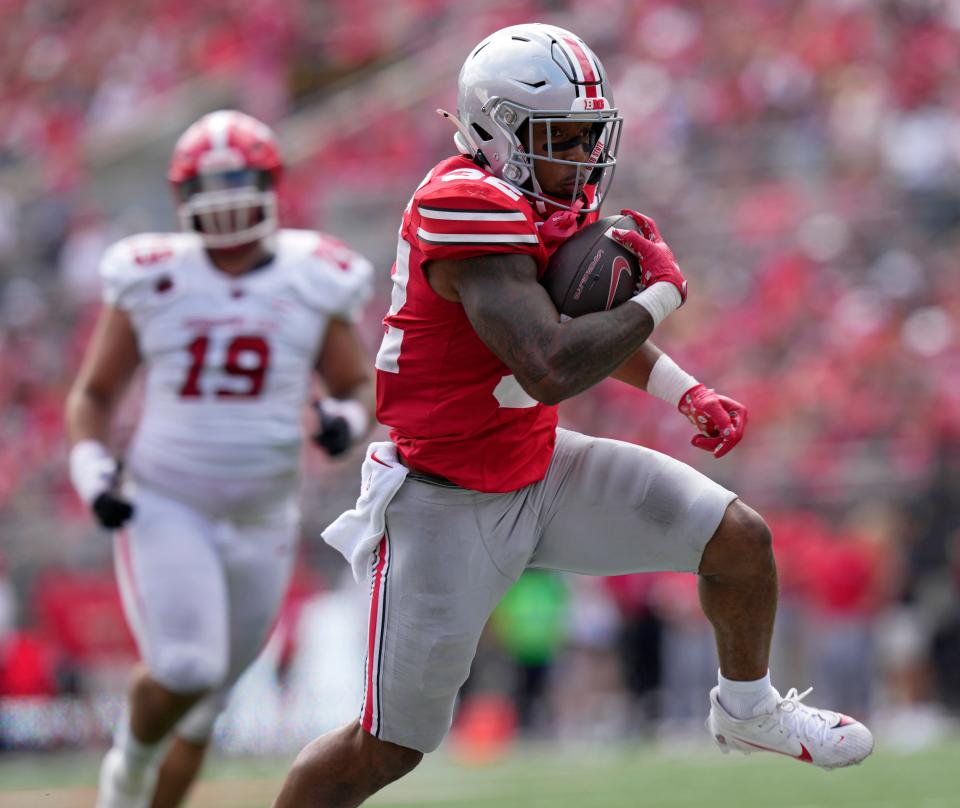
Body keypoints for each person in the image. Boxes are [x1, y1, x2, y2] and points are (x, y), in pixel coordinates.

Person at [273, 23, 874, 808]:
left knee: (738, 540)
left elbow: (573, 332)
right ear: (494, 132)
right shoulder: (462, 204)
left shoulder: (532, 197)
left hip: (536, 464)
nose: (585, 153)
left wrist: (683, 390)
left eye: (592, 133)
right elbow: (549, 361)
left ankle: (748, 711)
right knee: (385, 750)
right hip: (445, 500)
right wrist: (661, 296)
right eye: (564, 136)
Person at [65, 109, 375, 808]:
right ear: (182, 196)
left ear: (269, 184)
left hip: (263, 514)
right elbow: (95, 393)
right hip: (169, 500)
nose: (228, 197)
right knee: (184, 664)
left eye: (239, 180)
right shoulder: (154, 274)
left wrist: (344, 420)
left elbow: (356, 386)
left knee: (207, 706)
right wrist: (93, 475)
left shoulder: (312, 273)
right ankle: (127, 775)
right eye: (213, 183)